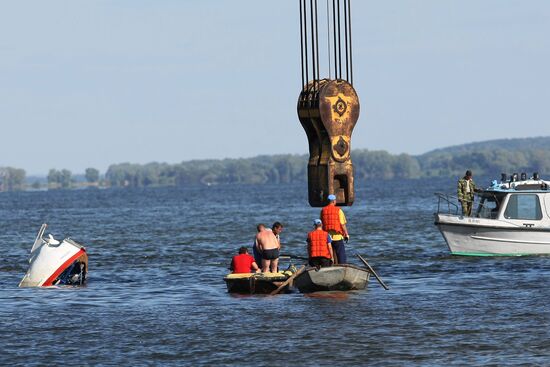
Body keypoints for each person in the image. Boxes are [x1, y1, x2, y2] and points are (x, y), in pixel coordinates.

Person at [320, 194, 349, 264]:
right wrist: (346, 234)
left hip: (327, 237)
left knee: (330, 255)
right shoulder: (338, 210)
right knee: (341, 255)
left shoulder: (323, 211)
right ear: (334, 201)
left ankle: (331, 266)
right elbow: (342, 224)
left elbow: (321, 223)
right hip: (337, 237)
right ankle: (342, 266)